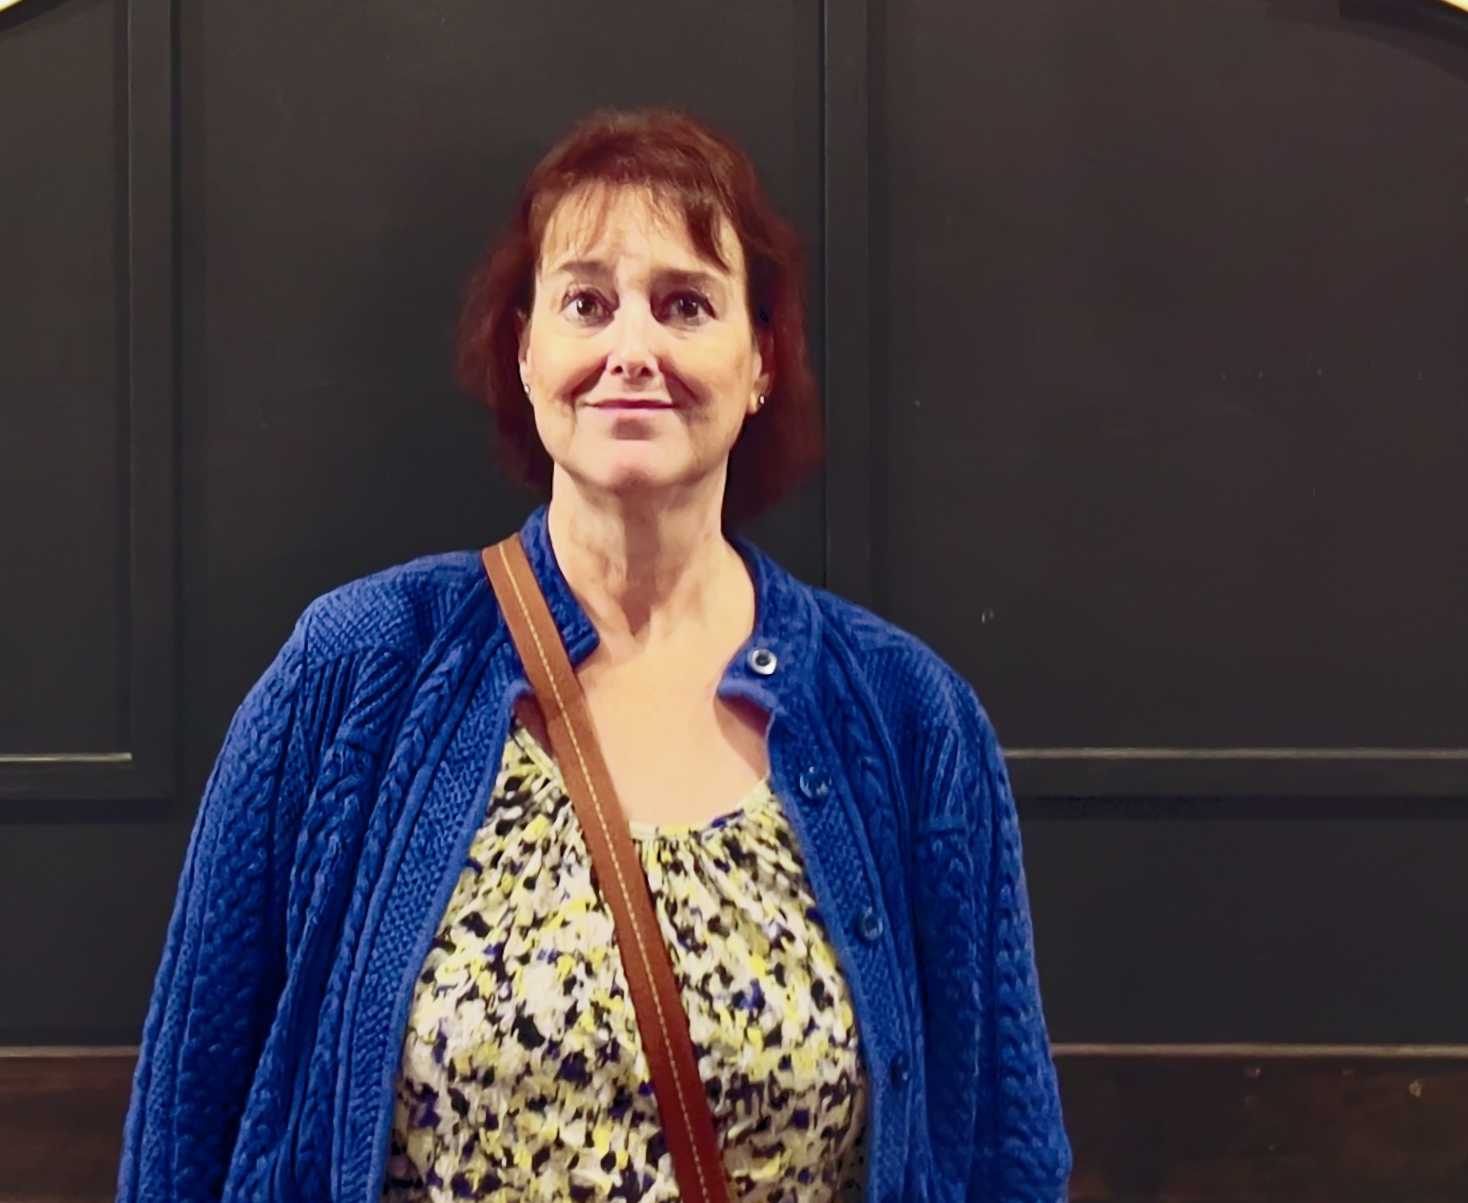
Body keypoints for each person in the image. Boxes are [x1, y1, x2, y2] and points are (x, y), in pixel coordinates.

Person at [119, 108, 1068, 1202]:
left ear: (761, 358)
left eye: (685, 304)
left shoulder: (913, 721)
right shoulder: (352, 674)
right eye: (586, 302)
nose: (633, 349)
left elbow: (1005, 1150)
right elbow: (186, 1122)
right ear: (525, 350)